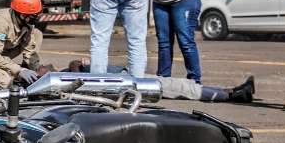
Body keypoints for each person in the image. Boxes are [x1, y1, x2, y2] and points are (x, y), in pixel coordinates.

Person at [67, 59, 255, 103]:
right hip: (123, 83)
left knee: (179, 84)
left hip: (126, 75)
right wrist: (76, 65)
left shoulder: (58, 74)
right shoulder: (57, 79)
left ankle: (232, 91)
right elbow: (75, 74)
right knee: (178, 88)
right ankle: (233, 95)